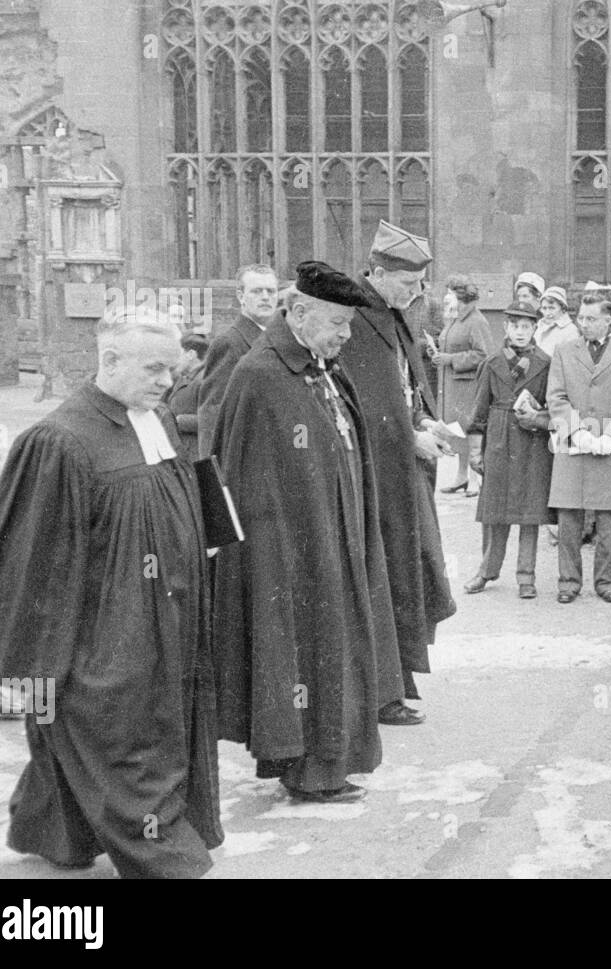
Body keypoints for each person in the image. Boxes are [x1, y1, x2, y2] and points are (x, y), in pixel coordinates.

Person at [0, 306, 221, 874]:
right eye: (154, 370)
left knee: (105, 737)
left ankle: (58, 833)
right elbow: (33, 562)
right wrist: (36, 666)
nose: (167, 383)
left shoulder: (155, 416)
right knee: (121, 739)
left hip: (165, 614)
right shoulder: (59, 441)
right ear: (110, 360)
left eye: (172, 371)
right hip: (108, 632)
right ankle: (165, 858)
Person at [212, 261, 404, 804]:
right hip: (291, 556)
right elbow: (241, 477)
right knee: (307, 658)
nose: (346, 335)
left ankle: (312, 761)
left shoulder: (319, 365)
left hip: (333, 541)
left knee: (330, 656)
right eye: (338, 324)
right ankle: (313, 773)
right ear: (297, 312)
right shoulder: (262, 373)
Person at [341, 221, 457, 724]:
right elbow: (364, 403)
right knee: (386, 576)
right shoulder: (359, 318)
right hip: (377, 477)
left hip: (403, 474)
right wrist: (411, 436)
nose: (416, 294)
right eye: (408, 285)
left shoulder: (392, 313)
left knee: (411, 571)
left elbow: (402, 386)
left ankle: (400, 675)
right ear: (379, 273)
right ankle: (382, 691)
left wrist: (425, 419)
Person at [547, 293, 611, 604]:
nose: (583, 323)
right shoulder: (563, 351)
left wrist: (610, 436)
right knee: (569, 520)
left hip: (610, 448)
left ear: (608, 320)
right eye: (581, 318)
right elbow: (557, 398)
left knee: (609, 522)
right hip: (572, 446)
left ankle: (606, 581)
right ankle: (568, 582)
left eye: (590, 318)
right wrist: (575, 432)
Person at [463, 301, 554, 599]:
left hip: (532, 443)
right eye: (515, 326)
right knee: (494, 511)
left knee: (530, 513)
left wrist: (538, 417)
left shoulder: (546, 363)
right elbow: (479, 410)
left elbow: (553, 406)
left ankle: (526, 576)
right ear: (506, 327)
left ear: (535, 329)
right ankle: (487, 570)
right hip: (499, 440)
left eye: (526, 326)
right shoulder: (492, 363)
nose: (520, 332)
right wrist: (476, 451)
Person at [197, 264, 280, 458]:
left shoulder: (277, 340)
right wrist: (215, 480)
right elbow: (213, 415)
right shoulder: (230, 343)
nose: (266, 297)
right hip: (246, 459)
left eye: (271, 291)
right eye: (257, 291)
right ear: (241, 296)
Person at [431, 274, 494, 497]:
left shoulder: (477, 321)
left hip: (468, 387)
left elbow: (484, 355)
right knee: (457, 433)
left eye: (449, 293)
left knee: (469, 432)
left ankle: (475, 479)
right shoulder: (456, 319)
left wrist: (450, 359)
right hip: (452, 386)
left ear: (460, 296)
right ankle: (461, 477)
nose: (446, 297)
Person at [166, 331, 208, 459]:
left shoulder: (205, 380)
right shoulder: (184, 378)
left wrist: (179, 421)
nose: (174, 361)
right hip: (184, 452)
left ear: (191, 355)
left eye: (178, 355)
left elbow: (213, 419)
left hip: (197, 455)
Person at [535, 285, 580, 358]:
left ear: (563, 309)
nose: (547, 313)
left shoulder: (571, 331)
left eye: (552, 308)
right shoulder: (539, 327)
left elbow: (570, 362)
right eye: (544, 308)